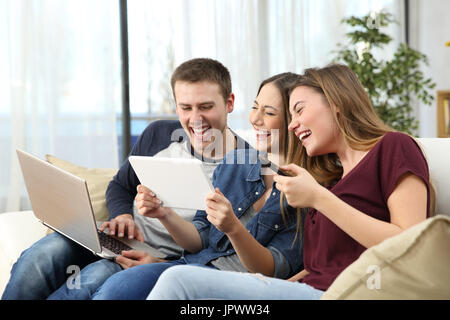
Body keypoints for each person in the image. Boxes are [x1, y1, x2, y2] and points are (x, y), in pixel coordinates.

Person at [146, 64, 435, 300]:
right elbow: (319, 268)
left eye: (299, 110)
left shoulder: (393, 147)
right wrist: (266, 285)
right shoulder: (333, 180)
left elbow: (411, 246)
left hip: (349, 294)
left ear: (335, 103)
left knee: (179, 282)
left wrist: (319, 199)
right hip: (309, 290)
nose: (293, 124)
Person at [2, 58, 248, 300]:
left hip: (153, 257)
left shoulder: (246, 169)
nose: (195, 119)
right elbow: (120, 185)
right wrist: (122, 215)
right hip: (111, 237)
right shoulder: (159, 134)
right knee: (40, 256)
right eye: (185, 107)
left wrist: (161, 264)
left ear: (229, 103)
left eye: (205, 107)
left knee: (88, 282)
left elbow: (221, 252)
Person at [90, 72, 304, 300]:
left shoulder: (305, 192)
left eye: (269, 112)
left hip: (235, 282)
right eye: (255, 107)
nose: (255, 119)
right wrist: (164, 213)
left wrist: (233, 228)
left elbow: (270, 271)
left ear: (295, 122)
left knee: (110, 286)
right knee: (110, 284)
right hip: (191, 264)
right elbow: (200, 240)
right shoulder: (236, 162)